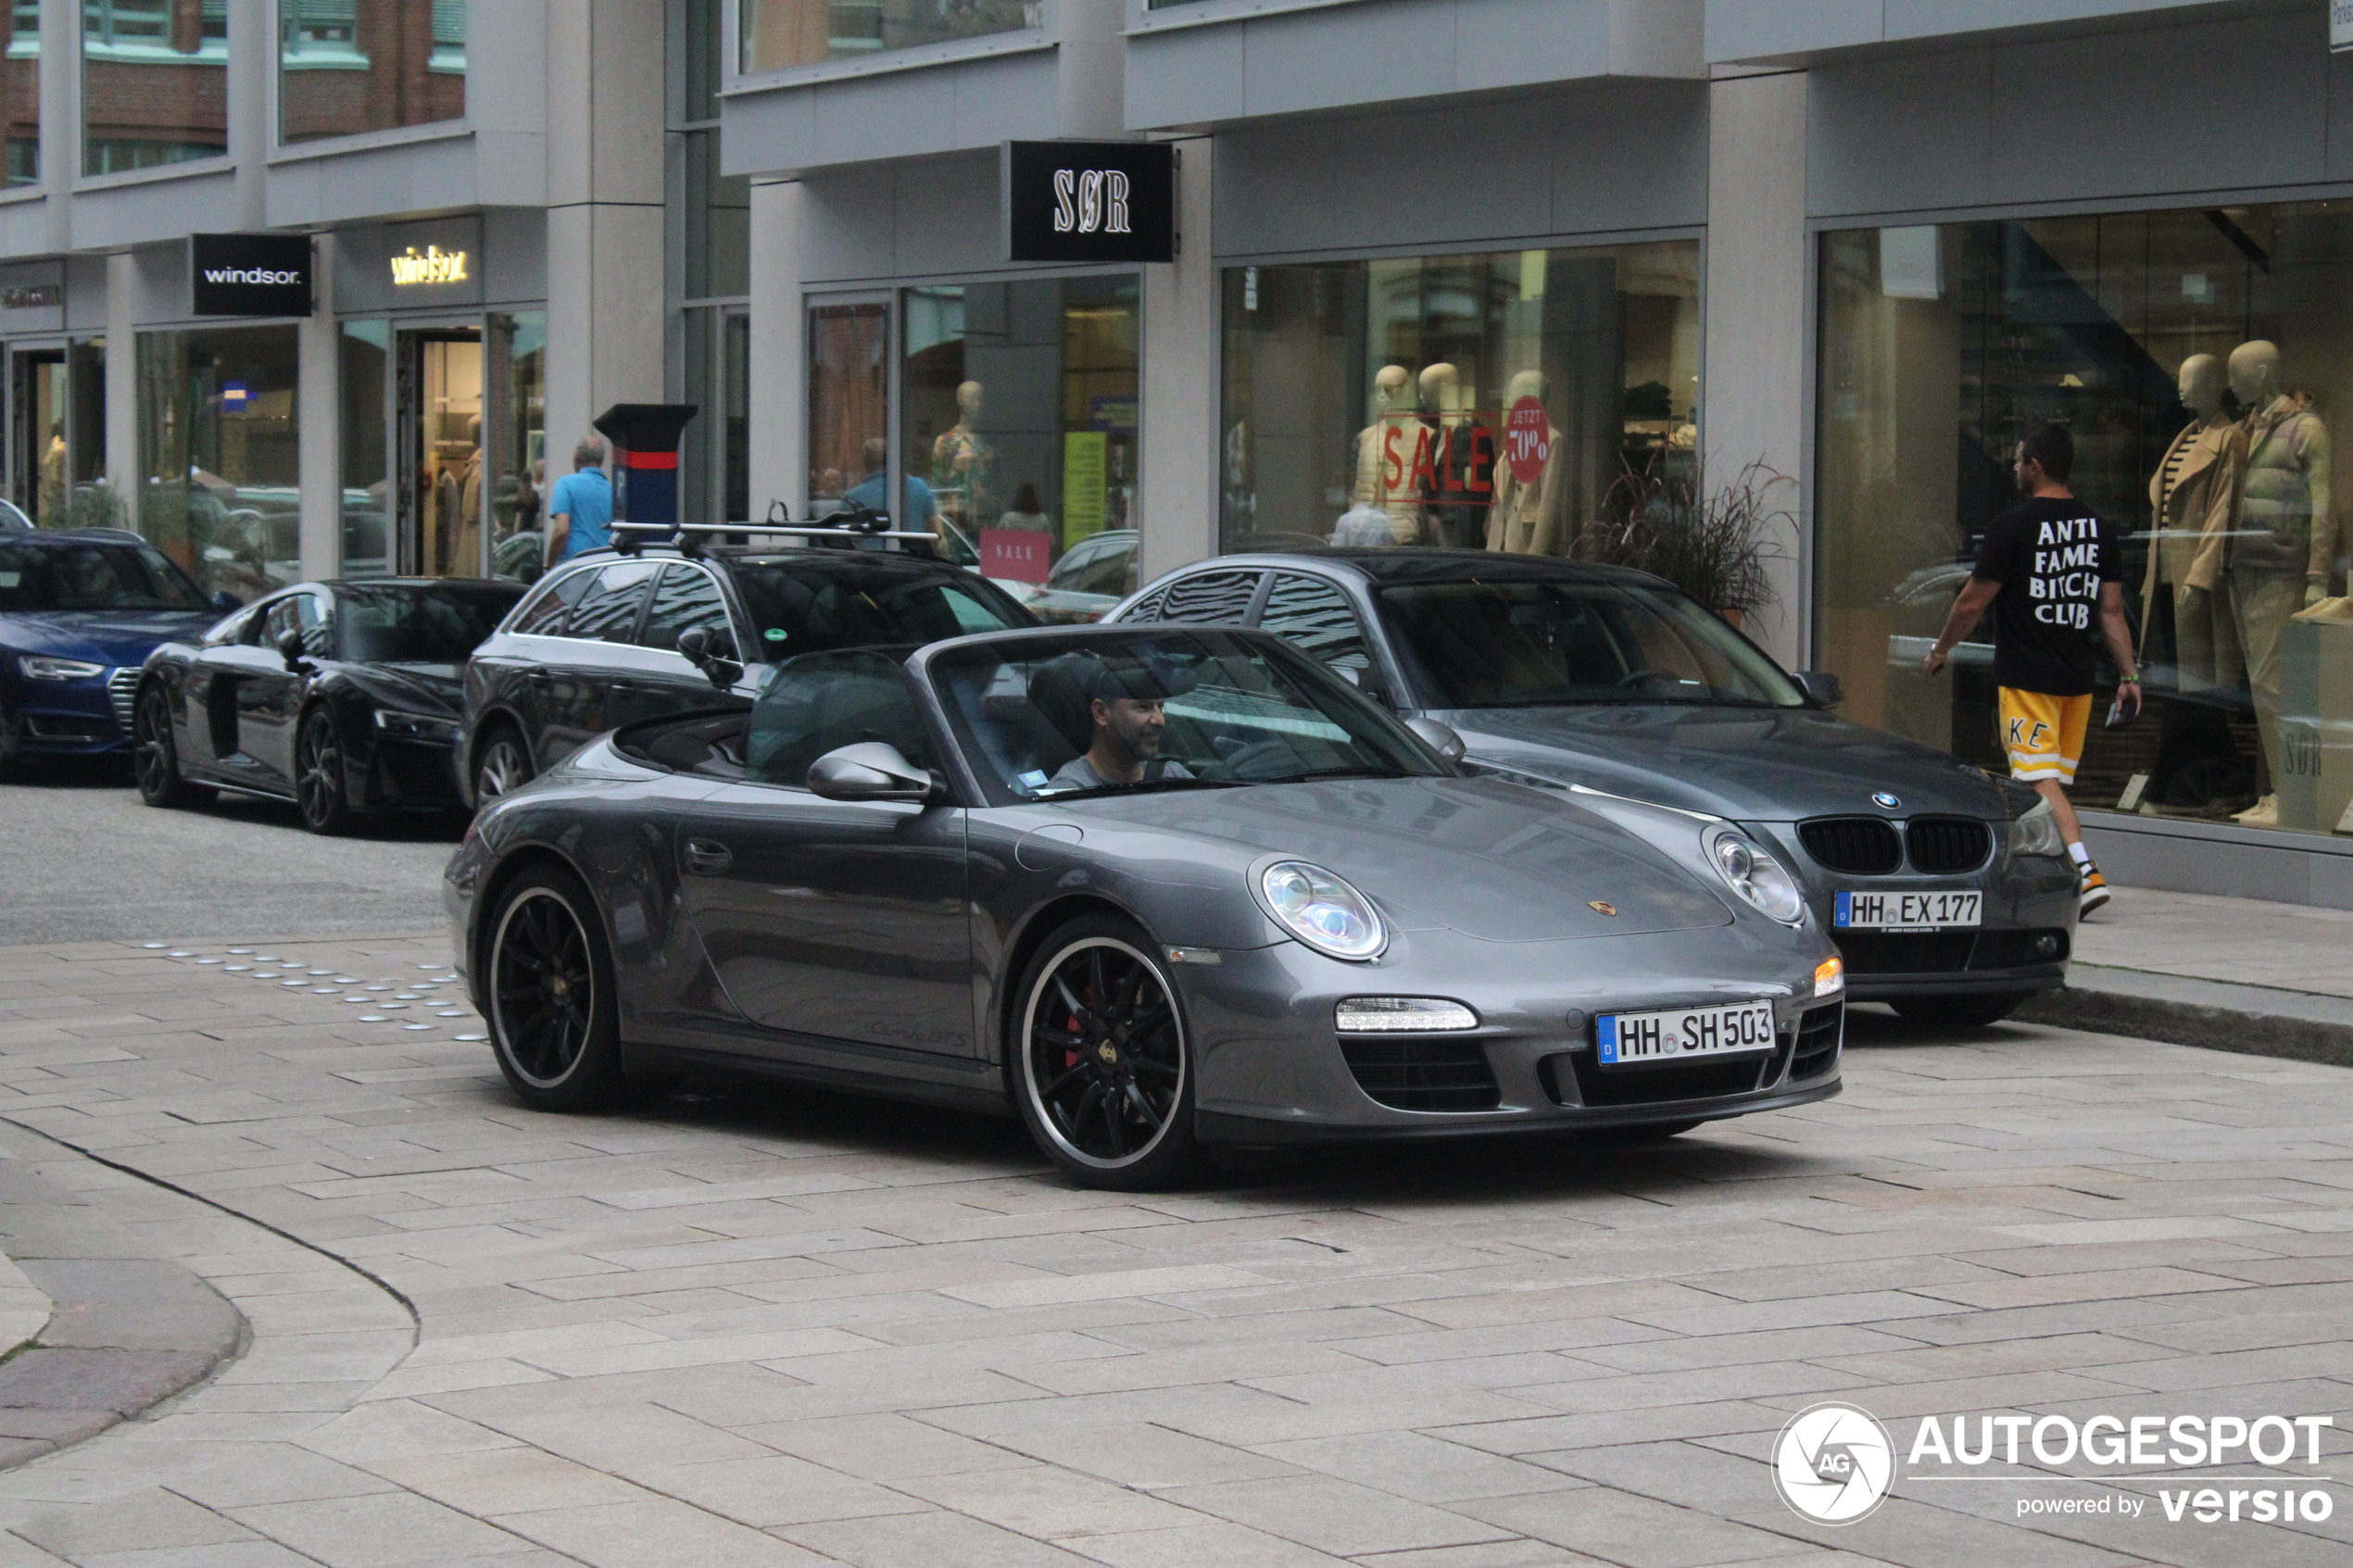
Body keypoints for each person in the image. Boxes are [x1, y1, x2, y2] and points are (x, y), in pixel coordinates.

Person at [1922, 422, 2140, 916]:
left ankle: (2085, 873)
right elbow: (2110, 611)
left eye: (2019, 460)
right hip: (2077, 682)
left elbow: (1971, 602)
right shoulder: (2097, 528)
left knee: (2039, 782)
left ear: (2035, 466)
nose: (2015, 468)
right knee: (2046, 783)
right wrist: (2129, 677)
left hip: (2028, 680)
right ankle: (2045, 874)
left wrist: (1940, 651)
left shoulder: (2012, 526)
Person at [1044, 659, 1197, 793]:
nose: (1160, 720)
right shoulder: (1068, 792)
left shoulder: (1174, 777)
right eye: (1143, 707)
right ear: (1101, 713)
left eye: (1160, 707)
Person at [545, 436, 613, 565]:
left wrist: (549, 563)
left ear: (576, 457)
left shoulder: (564, 484)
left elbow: (561, 531)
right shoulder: (613, 491)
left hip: (575, 566)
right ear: (601, 460)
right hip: (605, 565)